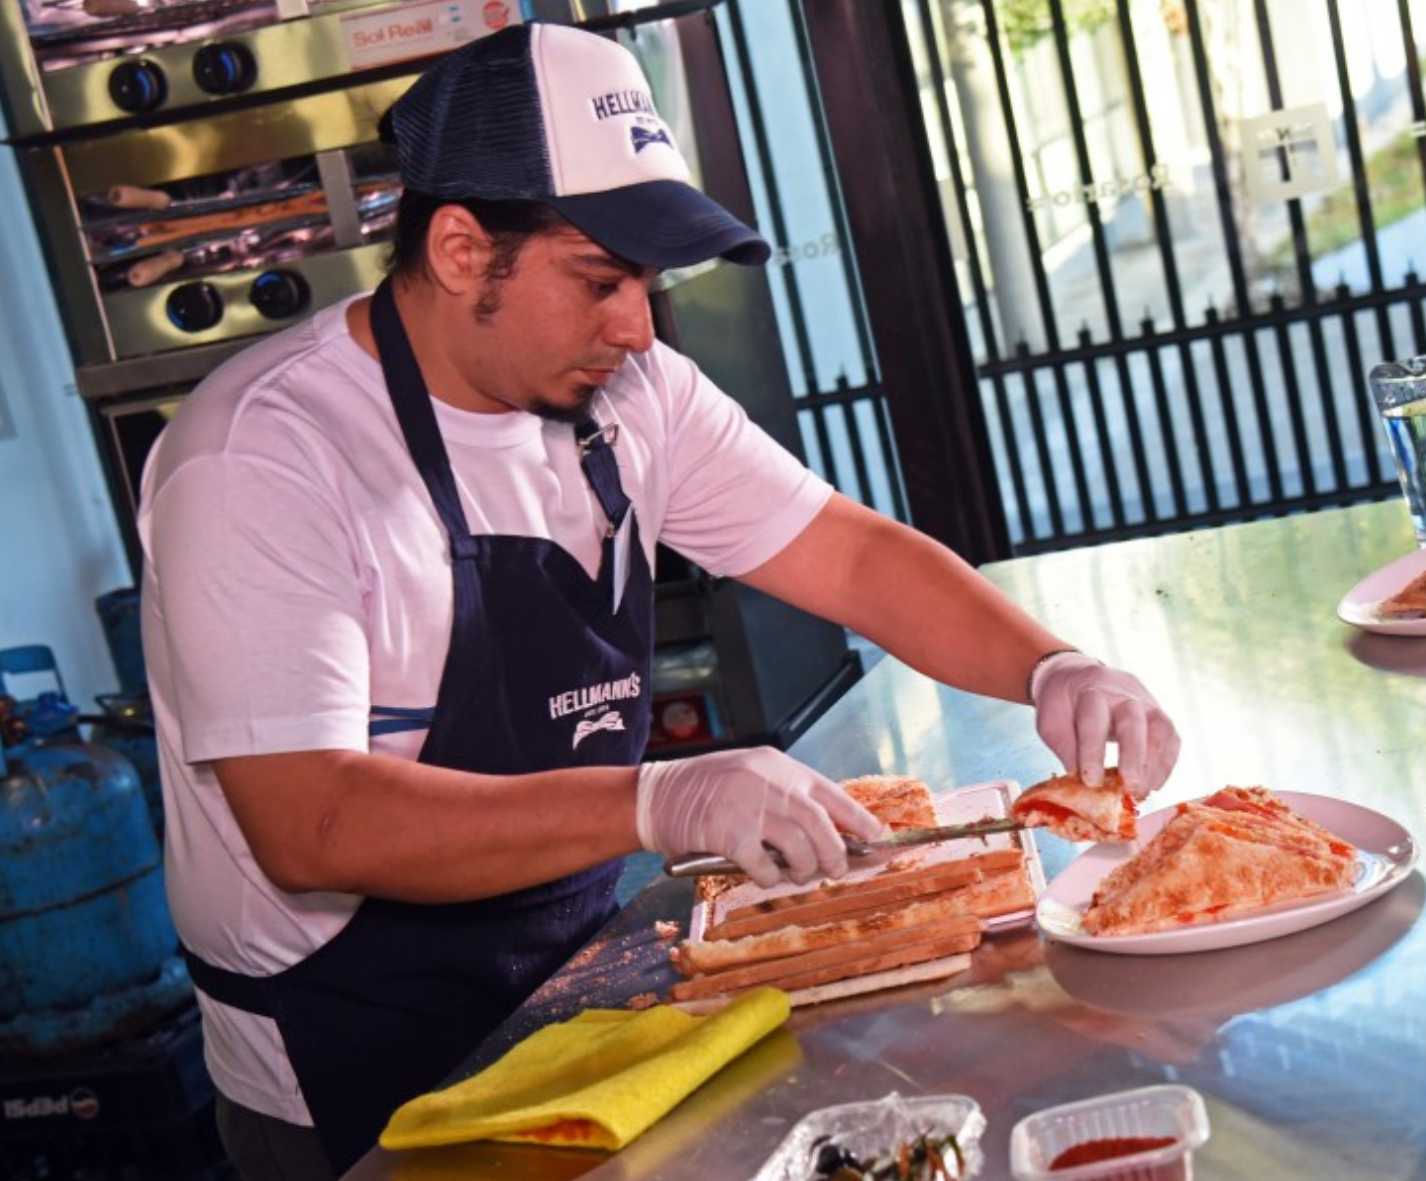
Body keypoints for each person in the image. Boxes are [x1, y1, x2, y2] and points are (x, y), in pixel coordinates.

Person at [138, 21, 1181, 1181]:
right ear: (460, 248)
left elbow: (846, 554)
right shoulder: (264, 457)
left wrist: (1052, 668)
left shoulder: (636, 396)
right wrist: (663, 795)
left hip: (572, 980)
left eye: (646, 283)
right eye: (599, 280)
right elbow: (308, 822)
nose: (636, 325)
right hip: (353, 1054)